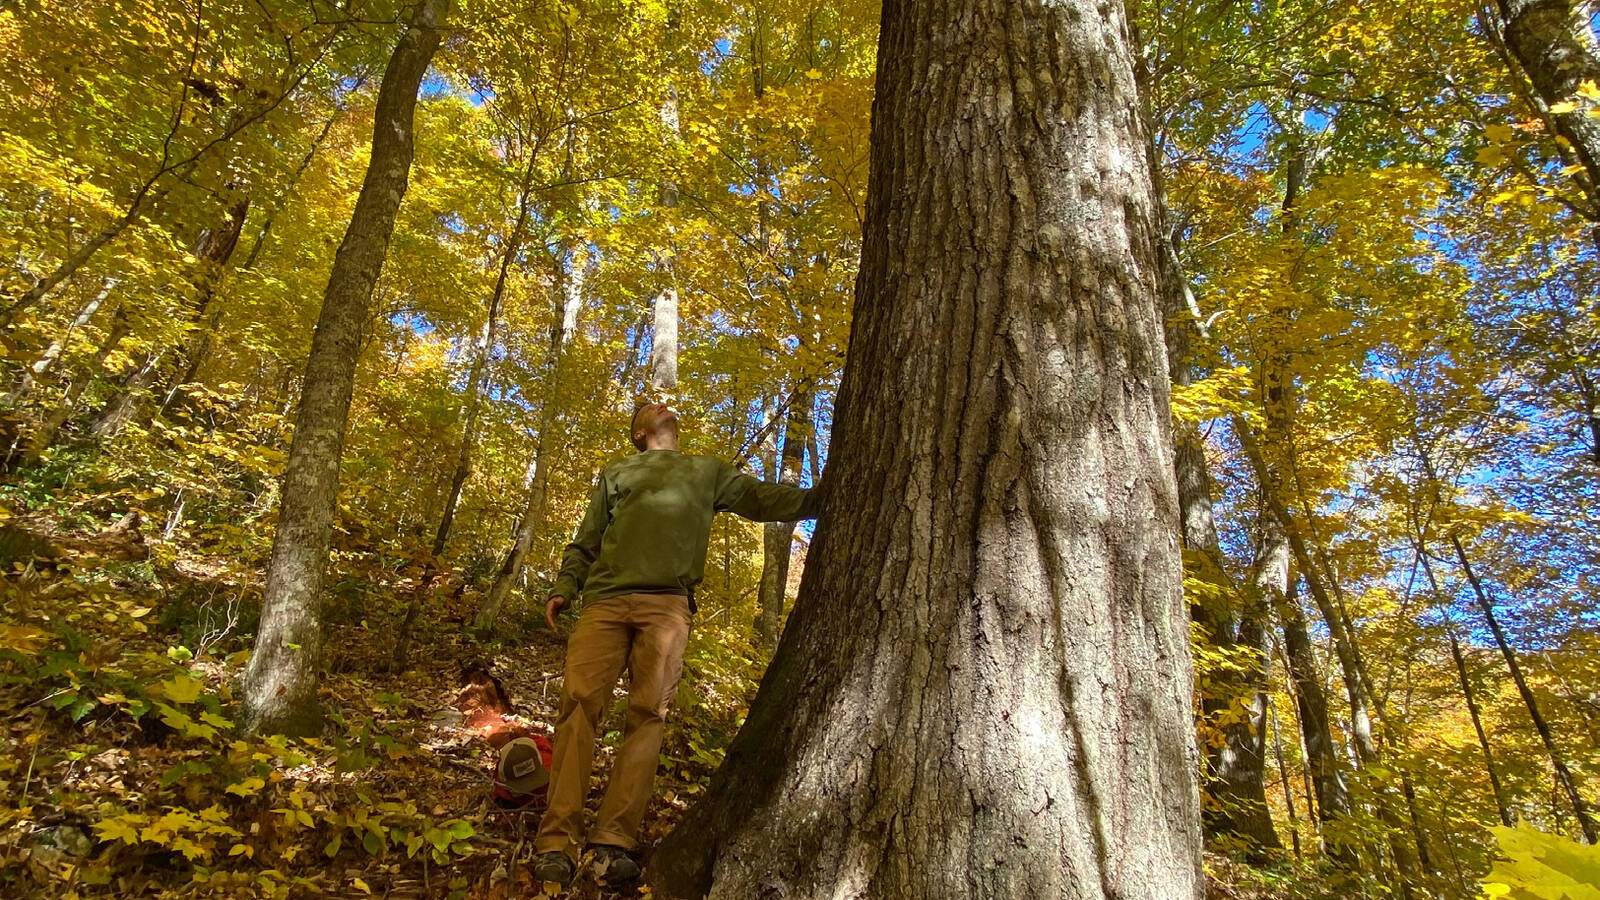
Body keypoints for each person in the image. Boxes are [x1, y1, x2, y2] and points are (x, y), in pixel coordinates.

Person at [531, 401, 821, 886]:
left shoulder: (706, 472)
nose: (661, 406)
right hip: (603, 602)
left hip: (667, 606)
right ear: (640, 433)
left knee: (648, 716)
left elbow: (760, 499)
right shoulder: (619, 472)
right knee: (578, 708)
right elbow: (586, 540)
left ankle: (611, 843)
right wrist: (565, 586)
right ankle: (557, 842)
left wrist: (823, 498)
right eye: (648, 408)